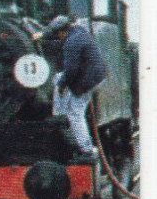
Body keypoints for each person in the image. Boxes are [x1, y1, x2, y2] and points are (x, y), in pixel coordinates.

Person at [38, 15, 108, 156]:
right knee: (59, 79)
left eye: (58, 34)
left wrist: (62, 86)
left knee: (75, 112)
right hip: (94, 76)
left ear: (62, 31)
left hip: (87, 80)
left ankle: (86, 148)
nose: (58, 37)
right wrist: (43, 35)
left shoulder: (72, 43)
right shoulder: (78, 31)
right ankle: (60, 115)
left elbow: (71, 71)